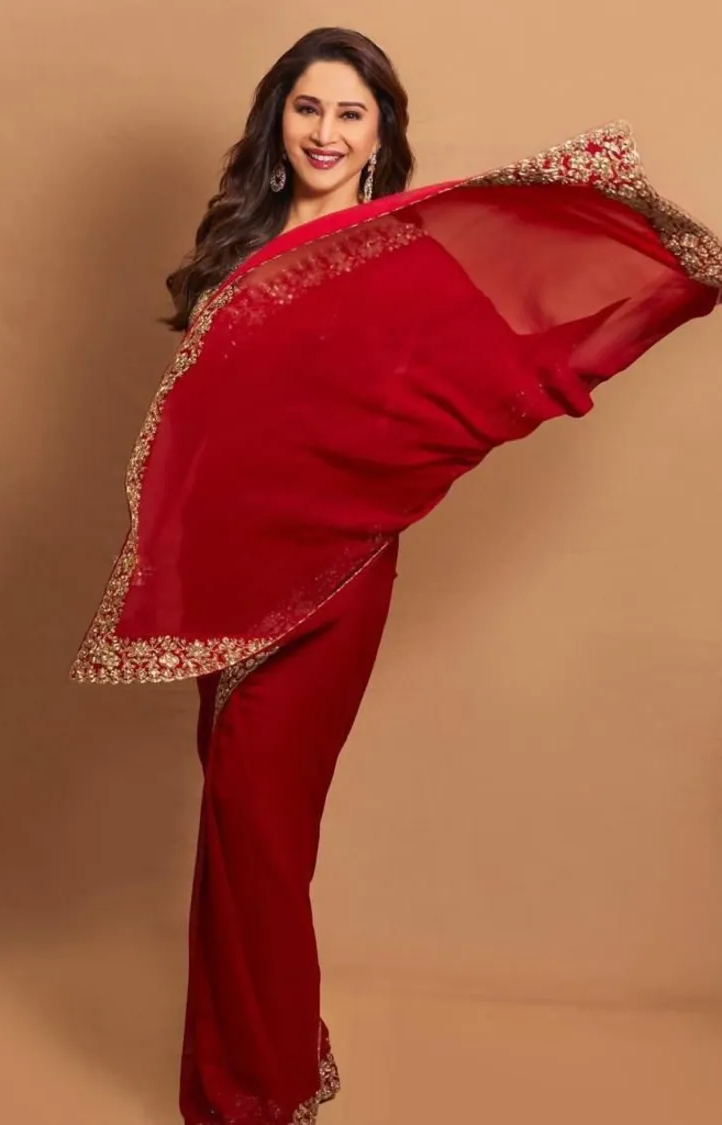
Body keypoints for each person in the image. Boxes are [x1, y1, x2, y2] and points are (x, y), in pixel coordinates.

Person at [70, 26, 721, 1125]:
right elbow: (218, 428)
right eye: (307, 108)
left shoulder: (403, 253)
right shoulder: (237, 249)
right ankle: (268, 1061)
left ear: (381, 134)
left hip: (333, 577)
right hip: (228, 585)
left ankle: (256, 1098)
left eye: (350, 113)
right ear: (277, 121)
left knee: (262, 833)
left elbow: (472, 379)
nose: (325, 132)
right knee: (239, 835)